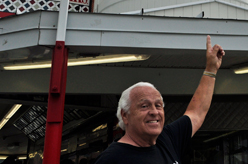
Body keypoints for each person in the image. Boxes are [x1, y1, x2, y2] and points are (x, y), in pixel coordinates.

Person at [95, 35, 225, 164]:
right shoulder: (111, 159)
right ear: (125, 115)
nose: (154, 112)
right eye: (144, 106)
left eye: (158, 105)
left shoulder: (167, 139)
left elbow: (196, 113)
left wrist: (211, 70)